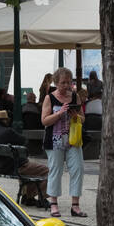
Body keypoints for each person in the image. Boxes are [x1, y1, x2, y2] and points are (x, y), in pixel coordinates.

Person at [41, 66, 85, 218]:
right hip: (54, 140)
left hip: (73, 139)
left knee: (78, 169)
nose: (67, 86)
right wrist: (59, 113)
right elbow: (45, 121)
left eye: (69, 82)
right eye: (63, 83)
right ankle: (53, 204)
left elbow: (83, 118)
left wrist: (75, 116)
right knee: (55, 170)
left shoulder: (75, 96)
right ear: (56, 82)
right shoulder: (49, 98)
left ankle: (75, 205)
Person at [0, 109, 49, 208]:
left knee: (32, 170)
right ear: (5, 120)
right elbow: (23, 141)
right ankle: (41, 197)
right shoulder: (7, 131)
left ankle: (28, 197)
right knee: (45, 170)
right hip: (15, 167)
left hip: (0, 166)